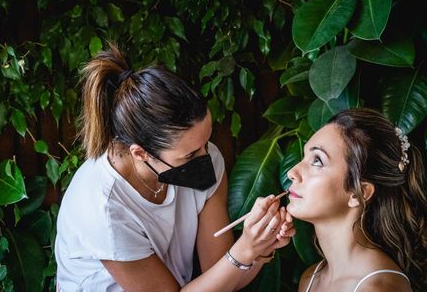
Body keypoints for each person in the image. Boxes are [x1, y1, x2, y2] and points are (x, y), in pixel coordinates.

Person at [55, 45, 295, 291]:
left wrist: (261, 247)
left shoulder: (207, 159)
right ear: (141, 153)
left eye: (206, 142)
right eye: (190, 154)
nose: (206, 156)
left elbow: (222, 276)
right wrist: (245, 248)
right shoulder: (102, 208)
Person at [286, 108, 427, 291]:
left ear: (358, 192)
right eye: (304, 156)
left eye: (317, 161)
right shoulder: (311, 279)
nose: (292, 173)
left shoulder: (378, 287)